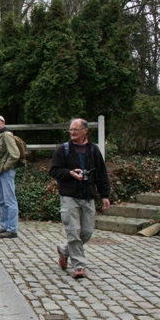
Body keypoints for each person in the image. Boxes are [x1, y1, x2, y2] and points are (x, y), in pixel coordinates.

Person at [49, 118, 111, 279]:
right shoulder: (63, 149)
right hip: (69, 196)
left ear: (85, 131)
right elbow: (54, 170)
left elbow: (101, 174)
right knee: (73, 231)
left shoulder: (93, 150)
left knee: (87, 232)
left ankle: (65, 251)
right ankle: (79, 266)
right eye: (71, 130)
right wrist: (69, 173)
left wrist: (105, 195)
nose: (73, 132)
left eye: (76, 129)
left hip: (88, 196)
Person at [0, 115, 20, 239]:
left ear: (3, 123)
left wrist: (5, 167)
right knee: (1, 201)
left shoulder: (6, 135)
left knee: (10, 201)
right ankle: (4, 227)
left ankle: (12, 229)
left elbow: (15, 154)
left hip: (6, 172)